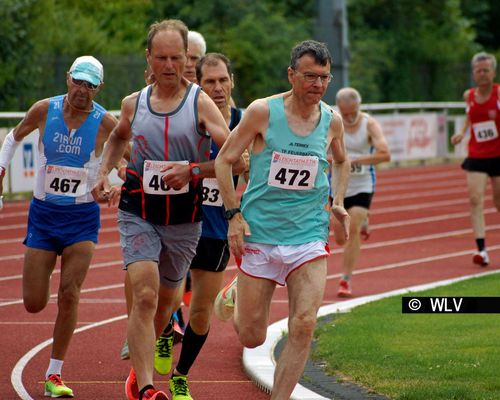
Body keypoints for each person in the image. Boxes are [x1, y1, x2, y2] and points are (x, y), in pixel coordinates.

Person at [92, 20, 242, 400]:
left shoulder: (201, 103)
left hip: (183, 219)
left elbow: (235, 160)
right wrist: (103, 173)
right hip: (137, 210)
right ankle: (145, 387)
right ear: (149, 58)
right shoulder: (133, 103)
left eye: (177, 57)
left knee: (165, 305)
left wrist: (192, 170)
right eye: (162, 58)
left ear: (185, 59)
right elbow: (117, 137)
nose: (170, 65)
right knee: (144, 294)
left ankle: (139, 369)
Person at [213, 40, 350, 400]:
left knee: (303, 325)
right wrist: (233, 215)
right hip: (259, 234)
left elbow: (342, 159)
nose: (318, 85)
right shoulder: (262, 112)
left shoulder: (331, 120)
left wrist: (337, 200)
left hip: (307, 236)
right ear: (292, 75)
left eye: (324, 78)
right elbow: (224, 160)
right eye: (309, 76)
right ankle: (238, 290)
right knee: (252, 336)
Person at [0, 55, 118, 397]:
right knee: (33, 302)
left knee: (70, 293)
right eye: (78, 82)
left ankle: (54, 375)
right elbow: (12, 138)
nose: (82, 90)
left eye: (90, 85)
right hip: (43, 215)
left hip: (81, 219)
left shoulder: (105, 121)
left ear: (100, 88)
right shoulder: (43, 109)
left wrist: (112, 181)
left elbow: (124, 154)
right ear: (68, 78)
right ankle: (44, 270)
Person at [167, 52, 244, 399]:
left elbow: (242, 165)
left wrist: (196, 169)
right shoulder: (185, 118)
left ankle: (181, 374)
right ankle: (165, 331)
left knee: (200, 311)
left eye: (222, 80)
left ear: (231, 82)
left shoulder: (246, 121)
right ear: (197, 83)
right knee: (161, 296)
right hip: (180, 221)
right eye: (209, 81)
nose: (217, 87)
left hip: (216, 228)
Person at [332, 87, 390, 297]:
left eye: (352, 112)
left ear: (358, 106)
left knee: (352, 228)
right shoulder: (332, 121)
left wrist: (356, 160)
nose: (348, 116)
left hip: (362, 184)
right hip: (337, 184)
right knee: (339, 237)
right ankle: (364, 219)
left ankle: (345, 279)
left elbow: (385, 154)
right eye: (344, 112)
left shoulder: (369, 124)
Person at [451, 51, 500, 267]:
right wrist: (462, 132)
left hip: (498, 155)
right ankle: (482, 250)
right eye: (478, 71)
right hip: (477, 155)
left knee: (498, 202)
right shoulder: (468, 95)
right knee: (475, 200)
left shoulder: (498, 94)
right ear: (473, 73)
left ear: (493, 72)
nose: (482, 74)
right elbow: (470, 116)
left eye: (486, 70)